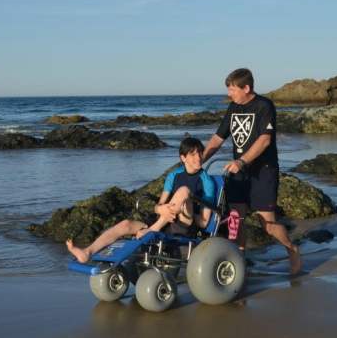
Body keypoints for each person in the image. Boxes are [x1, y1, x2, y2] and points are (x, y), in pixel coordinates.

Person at [202, 68, 302, 275]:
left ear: (246, 88)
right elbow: (218, 138)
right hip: (239, 173)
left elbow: (265, 140)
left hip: (263, 172)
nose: (229, 94)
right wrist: (198, 161)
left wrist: (242, 161)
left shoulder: (264, 106)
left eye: (232, 89)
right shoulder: (233, 107)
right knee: (236, 221)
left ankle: (291, 249)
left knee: (268, 224)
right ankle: (239, 263)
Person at [66, 137, 216, 264]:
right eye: (193, 154)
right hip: (163, 220)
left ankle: (152, 230)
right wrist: (161, 209)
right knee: (125, 224)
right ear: (183, 158)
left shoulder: (206, 181)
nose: (198, 158)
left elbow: (203, 222)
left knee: (184, 191)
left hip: (184, 223)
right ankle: (87, 252)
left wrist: (182, 208)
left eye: (200, 153)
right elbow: (159, 205)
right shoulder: (174, 175)